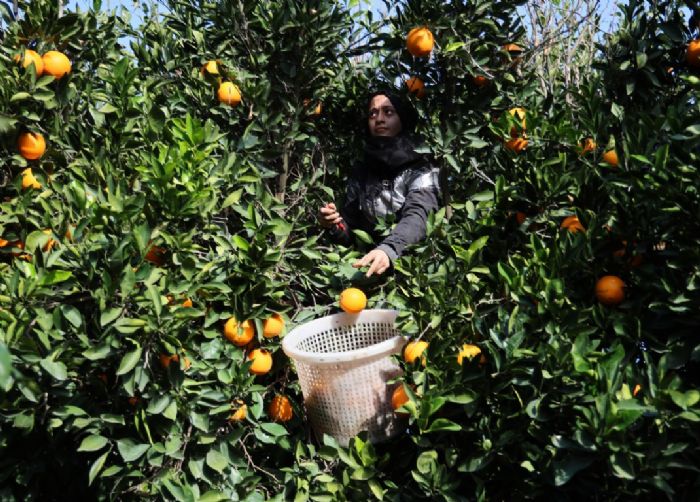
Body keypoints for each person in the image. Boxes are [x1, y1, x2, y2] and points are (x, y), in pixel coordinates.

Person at [317, 90, 441, 277]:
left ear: (403, 119)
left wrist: (388, 249)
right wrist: (334, 224)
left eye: (388, 112)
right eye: (373, 113)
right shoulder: (362, 169)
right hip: (369, 269)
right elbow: (350, 232)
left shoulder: (421, 165)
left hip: (416, 271)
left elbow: (419, 215)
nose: (379, 119)